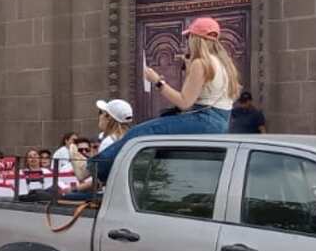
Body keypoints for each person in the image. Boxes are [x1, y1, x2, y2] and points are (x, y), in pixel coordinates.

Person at [92, 16, 242, 184]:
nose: (187, 42)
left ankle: (95, 169)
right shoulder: (223, 64)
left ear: (196, 39)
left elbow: (184, 102)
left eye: (188, 37)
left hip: (204, 120)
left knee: (139, 133)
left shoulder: (201, 63)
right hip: (219, 122)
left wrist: (157, 81)